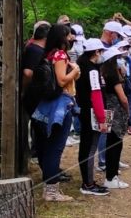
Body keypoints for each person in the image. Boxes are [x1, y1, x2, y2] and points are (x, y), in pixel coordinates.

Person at [30, 24, 81, 202]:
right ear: (62, 37)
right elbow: (61, 81)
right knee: (55, 148)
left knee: (46, 146)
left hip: (47, 104)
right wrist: (75, 70)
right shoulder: (60, 55)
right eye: (69, 35)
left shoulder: (48, 54)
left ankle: (49, 188)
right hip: (61, 104)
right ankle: (51, 191)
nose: (72, 38)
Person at [75, 38, 110, 196]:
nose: (102, 55)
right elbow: (96, 95)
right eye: (101, 52)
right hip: (91, 112)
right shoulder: (92, 70)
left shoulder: (80, 65)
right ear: (96, 52)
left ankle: (87, 180)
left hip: (83, 110)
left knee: (85, 146)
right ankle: (88, 184)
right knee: (90, 148)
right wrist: (102, 119)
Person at [100, 46, 131, 189]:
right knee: (116, 142)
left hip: (106, 110)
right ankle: (111, 177)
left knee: (110, 141)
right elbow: (123, 98)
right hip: (116, 111)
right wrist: (128, 111)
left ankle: (111, 174)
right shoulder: (113, 76)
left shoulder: (103, 73)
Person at [22, 21, 51, 164]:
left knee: (42, 131)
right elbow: (27, 73)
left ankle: (46, 162)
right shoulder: (34, 50)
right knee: (41, 132)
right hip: (34, 96)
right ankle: (44, 162)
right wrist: (24, 89)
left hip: (39, 96)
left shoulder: (39, 50)